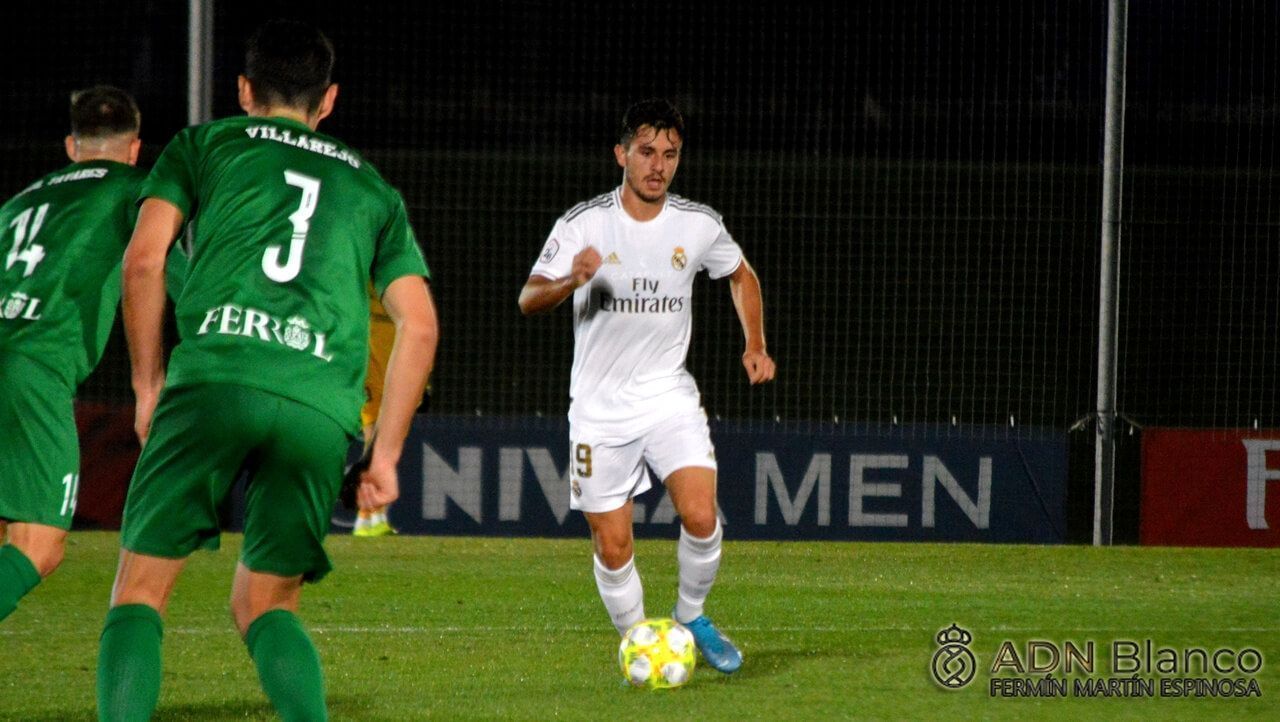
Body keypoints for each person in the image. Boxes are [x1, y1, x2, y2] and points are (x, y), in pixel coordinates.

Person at [95, 20, 437, 722]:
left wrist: (147, 384)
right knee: (265, 603)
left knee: (139, 593)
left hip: (216, 378)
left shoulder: (204, 144)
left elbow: (144, 260)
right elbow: (421, 325)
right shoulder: (373, 189)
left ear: (244, 89)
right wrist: (385, 455)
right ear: (329, 99)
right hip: (318, 405)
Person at [518, 98, 775, 674]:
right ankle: (639, 640)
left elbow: (741, 274)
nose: (659, 165)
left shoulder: (697, 224)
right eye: (647, 151)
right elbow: (529, 298)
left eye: (670, 154)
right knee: (613, 547)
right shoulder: (584, 224)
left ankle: (691, 617)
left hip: (667, 397)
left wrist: (754, 343)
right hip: (599, 410)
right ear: (621, 154)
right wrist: (570, 280)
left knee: (702, 516)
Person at [0, 86, 144, 624]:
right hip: (33, 369)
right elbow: (166, 271)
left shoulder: (19, 203)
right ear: (135, 148)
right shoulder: (134, 189)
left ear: (70, 145)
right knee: (38, 544)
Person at [351, 283, 432, 538]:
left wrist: (423, 379)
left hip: (394, 372)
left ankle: (371, 516)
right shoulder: (364, 278)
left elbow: (419, 330)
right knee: (374, 439)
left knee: (382, 442)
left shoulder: (403, 284)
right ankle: (367, 517)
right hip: (370, 366)